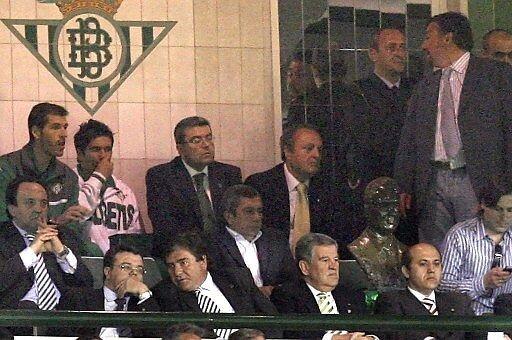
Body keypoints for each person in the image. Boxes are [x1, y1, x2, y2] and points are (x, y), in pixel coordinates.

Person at [394, 12, 512, 250]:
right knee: (434, 253)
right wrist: (404, 183)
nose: (424, 45)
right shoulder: (426, 85)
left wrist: (505, 187)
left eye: (429, 36)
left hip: (476, 180)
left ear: (447, 38)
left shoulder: (496, 76)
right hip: (432, 181)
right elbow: (410, 138)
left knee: (478, 250)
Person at [347, 28, 417, 245]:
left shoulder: (417, 89)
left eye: (402, 47)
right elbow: (364, 142)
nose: (399, 53)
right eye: (391, 47)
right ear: (373, 54)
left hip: (413, 190)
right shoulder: (358, 92)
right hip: (375, 187)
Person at [152, 232, 279, 339]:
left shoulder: (237, 278)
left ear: (202, 261)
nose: (177, 272)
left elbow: (272, 321)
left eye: (183, 262)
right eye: (171, 266)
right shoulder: (167, 294)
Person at [146, 116, 242, 258]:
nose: (206, 145)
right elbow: (166, 229)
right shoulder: (162, 177)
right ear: (180, 148)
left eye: (209, 138)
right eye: (196, 140)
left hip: (228, 257)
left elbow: (238, 222)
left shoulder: (229, 174)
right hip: (185, 255)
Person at [0, 176, 93, 311]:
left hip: (60, 319)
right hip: (15, 319)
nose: (39, 209)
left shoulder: (63, 236)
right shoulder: (2, 237)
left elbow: (86, 284)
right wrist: (32, 250)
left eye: (43, 203)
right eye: (30, 202)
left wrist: (61, 252)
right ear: (12, 209)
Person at [245, 124, 336, 253]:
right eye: (308, 149)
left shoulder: (327, 189)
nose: (316, 155)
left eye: (319, 150)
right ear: (287, 151)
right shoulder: (261, 185)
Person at [270, 233, 375, 339]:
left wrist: (371, 338)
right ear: (305, 267)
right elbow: (294, 334)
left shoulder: (352, 294)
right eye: (325, 260)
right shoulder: (286, 295)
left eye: (336, 260)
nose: (333, 266)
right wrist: (335, 339)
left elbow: (374, 329)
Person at [0, 103, 90, 226]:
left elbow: (72, 233)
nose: (64, 134)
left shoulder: (68, 176)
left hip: (57, 243)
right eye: (56, 127)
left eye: (65, 127)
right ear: (36, 132)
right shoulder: (6, 168)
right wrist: (55, 223)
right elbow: (4, 226)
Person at [207, 184, 296, 297]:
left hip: (275, 306)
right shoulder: (212, 244)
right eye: (249, 212)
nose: (257, 217)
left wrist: (273, 291)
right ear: (229, 216)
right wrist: (255, 294)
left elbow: (292, 281)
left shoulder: (275, 240)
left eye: (259, 211)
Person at [439, 182, 512, 315]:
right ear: (483, 205)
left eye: (510, 210)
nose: (505, 217)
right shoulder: (459, 235)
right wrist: (483, 283)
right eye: (498, 209)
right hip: (469, 319)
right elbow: (442, 287)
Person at [375, 243, 474, 340]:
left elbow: (479, 335)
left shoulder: (459, 301)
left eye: (436, 264)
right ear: (406, 271)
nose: (431, 270)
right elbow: (393, 335)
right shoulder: (392, 301)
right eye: (423, 264)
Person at [59, 244, 160, 338]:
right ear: (108, 272)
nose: (134, 273)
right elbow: (59, 334)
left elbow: (159, 335)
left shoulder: (145, 303)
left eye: (139, 269)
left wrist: (143, 292)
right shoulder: (79, 298)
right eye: (126, 267)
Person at [73, 119, 143, 255]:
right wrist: (99, 176)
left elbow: (135, 236)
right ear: (80, 154)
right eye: (95, 149)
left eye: (108, 149)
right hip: (84, 262)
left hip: (119, 265)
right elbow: (79, 216)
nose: (103, 156)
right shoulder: (69, 185)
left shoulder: (124, 191)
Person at [348, 177, 407, 290]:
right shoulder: (357, 249)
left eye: (395, 205)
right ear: (368, 209)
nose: (392, 211)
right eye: (385, 205)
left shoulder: (404, 251)